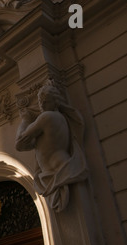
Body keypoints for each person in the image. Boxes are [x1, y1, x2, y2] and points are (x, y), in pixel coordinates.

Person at [15, 80, 87, 212]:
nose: (41, 104)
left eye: (45, 101)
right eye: (39, 100)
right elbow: (32, 145)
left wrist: (25, 119)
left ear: (55, 102)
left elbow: (19, 143)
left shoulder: (46, 117)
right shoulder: (60, 119)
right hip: (59, 169)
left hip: (58, 172)